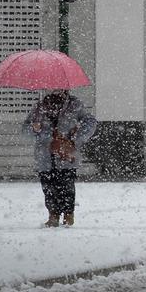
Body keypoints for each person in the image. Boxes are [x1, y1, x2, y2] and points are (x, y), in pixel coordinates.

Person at [22, 89, 97, 228]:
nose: (56, 90)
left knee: (66, 185)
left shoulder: (75, 105)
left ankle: (68, 214)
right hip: (45, 155)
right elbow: (25, 129)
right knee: (48, 186)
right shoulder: (39, 106)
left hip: (66, 154)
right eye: (53, 87)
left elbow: (91, 122)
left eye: (59, 86)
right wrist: (36, 129)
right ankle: (53, 215)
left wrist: (76, 137)